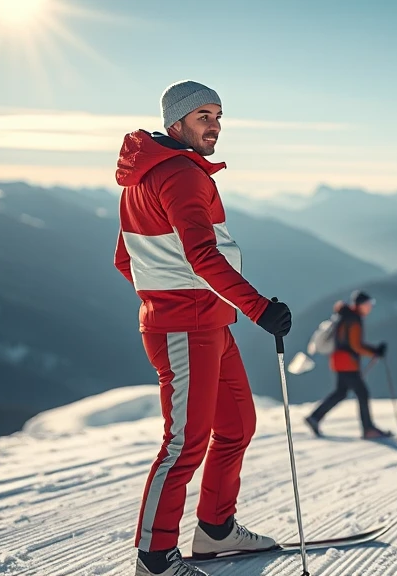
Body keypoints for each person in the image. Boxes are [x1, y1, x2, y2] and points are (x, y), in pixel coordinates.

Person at [114, 80, 293, 576]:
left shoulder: (145, 177)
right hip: (187, 326)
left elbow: (124, 258)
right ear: (177, 123)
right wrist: (259, 309)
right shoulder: (182, 176)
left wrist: (164, 296)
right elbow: (201, 255)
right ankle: (154, 558)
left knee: (236, 425)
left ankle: (215, 530)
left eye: (218, 115)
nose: (214, 125)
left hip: (205, 319)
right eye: (203, 117)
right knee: (184, 444)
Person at [304, 291, 393, 439]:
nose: (369, 307)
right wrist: (375, 351)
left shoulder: (345, 317)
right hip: (348, 363)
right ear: (361, 305)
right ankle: (368, 429)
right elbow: (356, 345)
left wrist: (373, 351)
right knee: (362, 393)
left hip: (338, 361)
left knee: (341, 392)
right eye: (368, 304)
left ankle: (315, 417)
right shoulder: (354, 319)